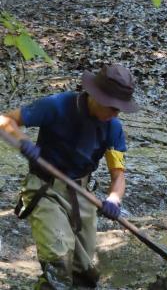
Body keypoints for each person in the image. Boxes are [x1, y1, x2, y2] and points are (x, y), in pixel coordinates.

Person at [0, 64, 139, 289]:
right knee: (58, 262)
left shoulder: (113, 127)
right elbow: (6, 120)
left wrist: (114, 198)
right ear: (97, 96)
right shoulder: (57, 106)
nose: (116, 113)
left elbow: (118, 176)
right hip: (45, 189)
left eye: (119, 109)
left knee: (84, 274)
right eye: (113, 107)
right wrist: (23, 141)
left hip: (82, 195)